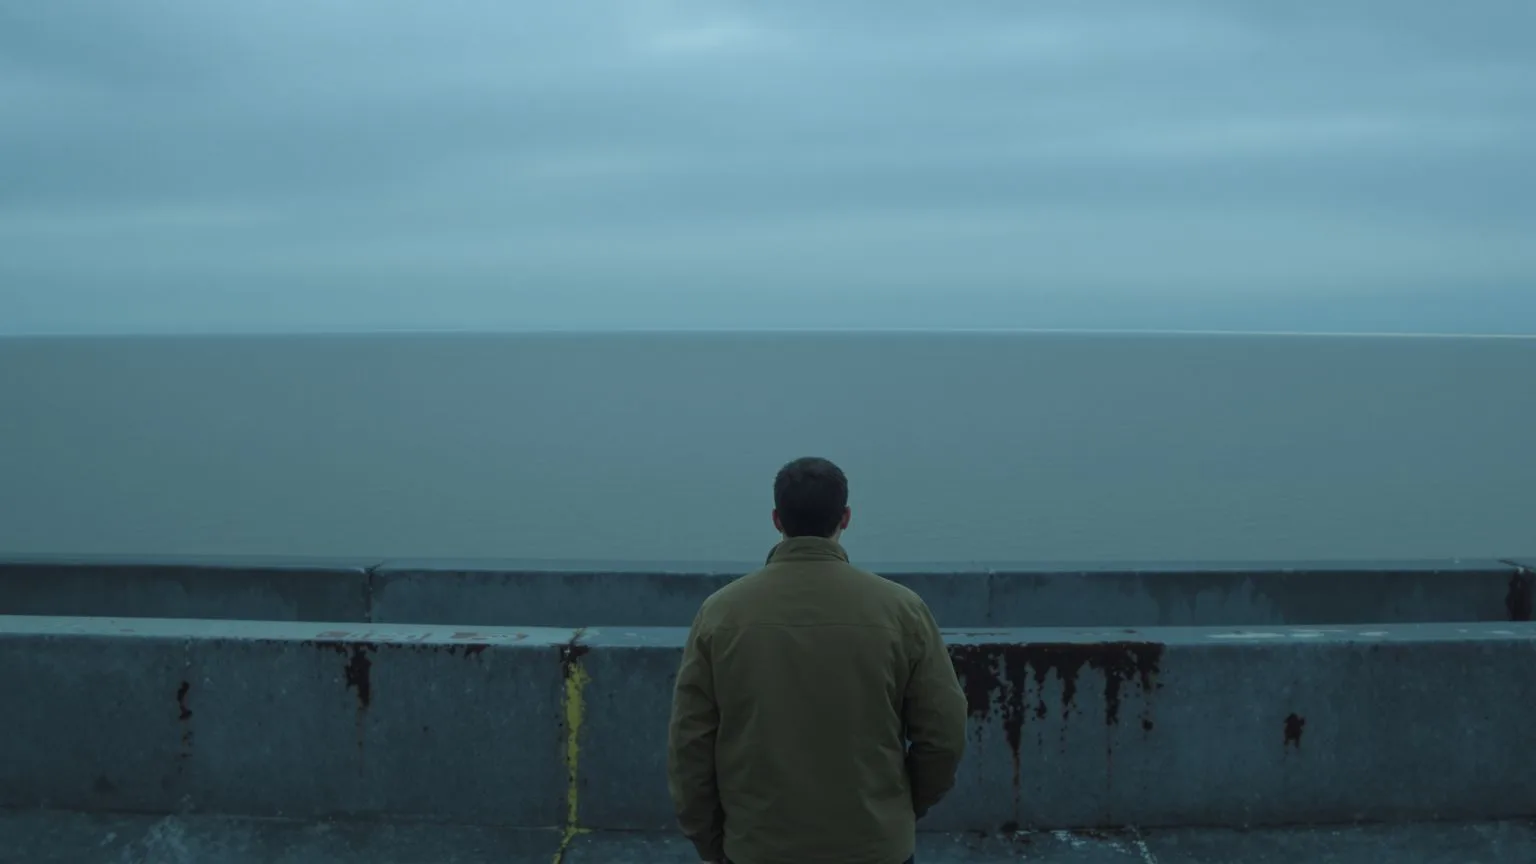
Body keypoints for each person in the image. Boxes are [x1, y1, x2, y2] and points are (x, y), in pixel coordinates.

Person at [667, 456, 969, 864]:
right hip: (876, 846)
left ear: (777, 519)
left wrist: (711, 841)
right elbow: (944, 735)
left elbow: (691, 745)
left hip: (758, 847)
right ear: (845, 517)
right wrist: (897, 811)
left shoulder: (721, 613)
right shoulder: (902, 610)